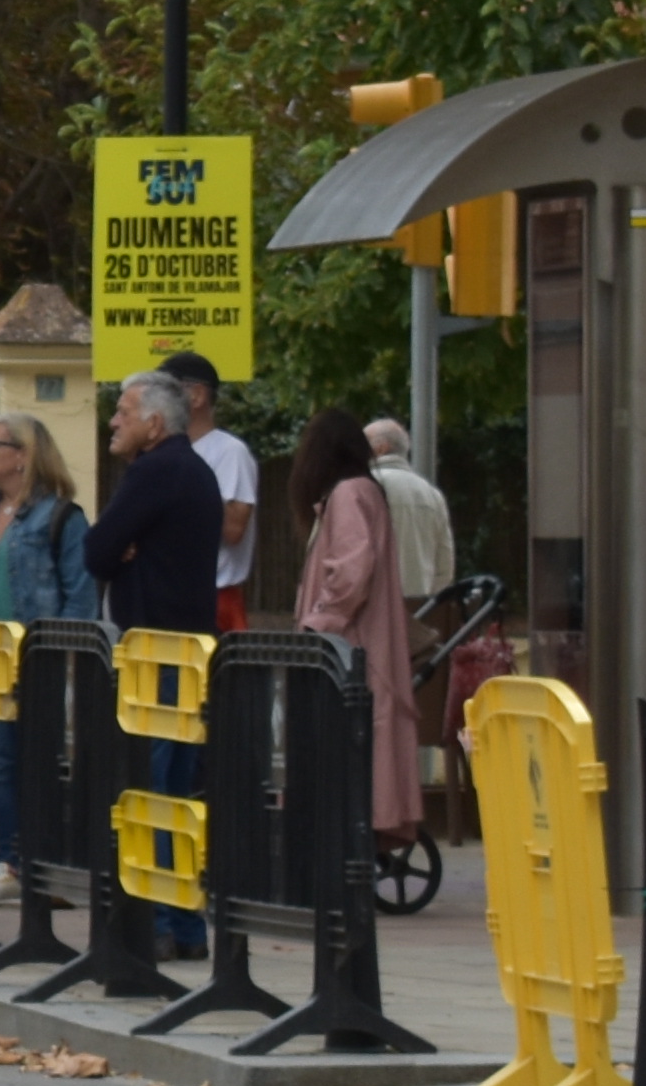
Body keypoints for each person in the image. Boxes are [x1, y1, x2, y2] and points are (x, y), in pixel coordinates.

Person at [79, 375, 222, 952]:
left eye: (124, 411)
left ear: (155, 424)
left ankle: (160, 922)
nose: (114, 421)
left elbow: (96, 551)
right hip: (189, 651)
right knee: (178, 790)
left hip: (156, 653)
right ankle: (184, 925)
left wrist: (120, 553)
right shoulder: (197, 471)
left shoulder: (154, 472)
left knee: (153, 787)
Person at [0, 414, 93, 862]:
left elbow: (81, 596)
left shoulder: (61, 517)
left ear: (23, 455)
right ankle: (10, 861)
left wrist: (60, 658)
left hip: (33, 661)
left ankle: (44, 862)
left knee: (39, 762)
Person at [288, 409, 421, 847]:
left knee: (350, 744)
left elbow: (350, 569)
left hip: (348, 648)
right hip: (364, 644)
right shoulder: (364, 491)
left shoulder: (346, 495)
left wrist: (318, 623)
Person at [157, 348, 261, 637]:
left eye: (165, 391)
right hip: (168, 595)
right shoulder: (161, 452)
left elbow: (233, 529)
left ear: (197, 396)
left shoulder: (230, 452)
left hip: (212, 599)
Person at [362, 418, 460, 612]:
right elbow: (445, 567)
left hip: (368, 612)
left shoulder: (358, 489)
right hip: (418, 611)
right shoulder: (432, 494)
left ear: (381, 448)